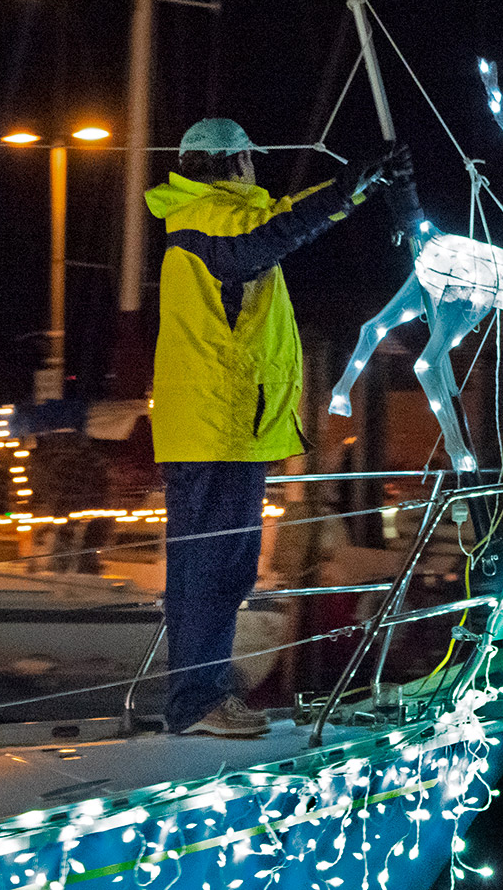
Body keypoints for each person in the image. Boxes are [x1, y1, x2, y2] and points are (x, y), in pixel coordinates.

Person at [145, 117, 417, 737]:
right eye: (249, 162)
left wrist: (357, 186)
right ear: (231, 164)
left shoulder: (210, 215)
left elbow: (284, 215)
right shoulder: (210, 221)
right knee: (217, 567)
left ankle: (195, 699)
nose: (256, 172)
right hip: (221, 429)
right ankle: (198, 701)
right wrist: (346, 188)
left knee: (208, 567)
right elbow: (269, 237)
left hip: (215, 428)